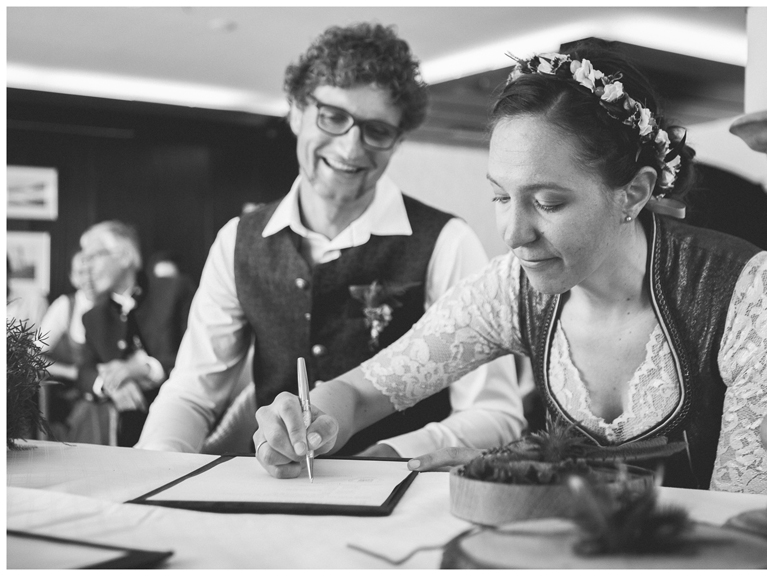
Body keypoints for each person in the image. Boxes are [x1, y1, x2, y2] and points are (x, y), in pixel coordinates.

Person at [253, 39, 767, 495]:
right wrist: (309, 420)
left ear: (635, 192)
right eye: (500, 198)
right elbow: (364, 393)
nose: (512, 234)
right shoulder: (510, 288)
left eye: (547, 203)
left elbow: (749, 522)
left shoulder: (749, 294)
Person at [136, 23, 525, 457]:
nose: (350, 147)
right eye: (333, 117)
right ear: (296, 112)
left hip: (403, 497)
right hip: (274, 490)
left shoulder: (446, 241)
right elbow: (192, 393)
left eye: (376, 129)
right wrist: (158, 470)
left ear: (396, 142)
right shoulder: (237, 241)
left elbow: (496, 415)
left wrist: (391, 455)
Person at [77, 220, 193, 446]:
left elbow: (197, 355)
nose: (85, 268)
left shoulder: (175, 290)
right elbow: (84, 371)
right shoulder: (93, 317)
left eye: (92, 257)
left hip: (181, 416)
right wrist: (112, 384)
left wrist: (141, 369)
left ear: (124, 256)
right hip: (123, 428)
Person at [37, 251, 99, 437]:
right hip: (76, 399)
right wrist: (70, 372)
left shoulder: (118, 304)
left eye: (92, 270)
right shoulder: (66, 305)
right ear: (72, 278)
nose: (88, 277)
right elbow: (31, 354)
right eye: (81, 272)